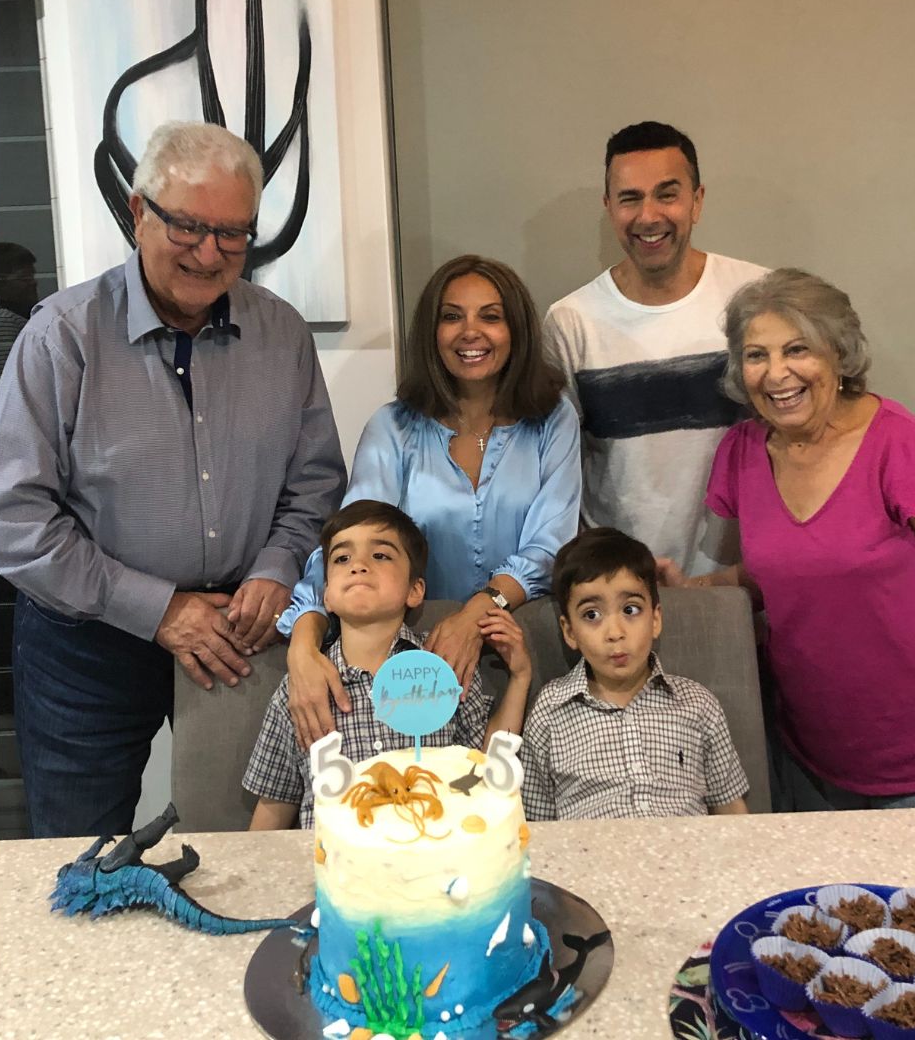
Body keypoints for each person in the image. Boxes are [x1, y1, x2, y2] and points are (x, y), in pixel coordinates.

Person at [0, 120, 346, 838]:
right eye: (186, 226)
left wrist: (279, 567)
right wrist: (157, 609)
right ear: (137, 213)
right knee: (81, 853)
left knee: (245, 847)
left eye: (233, 233)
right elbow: (12, 518)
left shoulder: (281, 333)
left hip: (241, 632)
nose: (210, 252)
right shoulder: (60, 336)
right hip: (84, 643)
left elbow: (315, 481)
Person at [663, 268, 915, 810]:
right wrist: (694, 591)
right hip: (812, 757)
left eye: (797, 349)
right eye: (757, 355)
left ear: (838, 355)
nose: (777, 374)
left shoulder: (901, 445)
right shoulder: (743, 450)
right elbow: (776, 573)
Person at [277, 255, 580, 750]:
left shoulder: (553, 419)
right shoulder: (393, 428)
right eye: (452, 315)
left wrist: (474, 615)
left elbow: (552, 547)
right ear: (431, 331)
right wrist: (303, 644)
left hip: (528, 646)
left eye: (491, 315)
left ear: (517, 329)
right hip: (418, 659)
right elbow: (351, 543)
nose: (470, 332)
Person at [542, 121, 769, 577]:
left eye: (667, 194)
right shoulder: (570, 321)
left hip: (745, 585)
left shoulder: (757, 297)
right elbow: (556, 475)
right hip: (622, 596)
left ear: (697, 201)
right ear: (609, 207)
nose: (648, 216)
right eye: (630, 198)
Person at [243, 501, 531, 830]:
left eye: (380, 555)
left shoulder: (443, 667)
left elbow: (484, 767)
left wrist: (520, 677)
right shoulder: (300, 689)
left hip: (435, 862)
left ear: (415, 590)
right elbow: (275, 805)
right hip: (336, 871)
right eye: (342, 558)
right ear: (326, 596)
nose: (359, 565)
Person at [521, 529, 749, 821]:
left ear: (655, 619)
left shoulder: (697, 704)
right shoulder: (550, 710)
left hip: (689, 858)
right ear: (569, 631)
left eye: (630, 610)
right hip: (592, 860)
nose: (615, 633)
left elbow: (730, 808)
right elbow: (537, 823)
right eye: (592, 615)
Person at [0, 242, 39, 392]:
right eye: (24, 278)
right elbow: (3, 386)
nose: (33, 283)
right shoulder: (6, 321)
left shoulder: (25, 318)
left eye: (32, 276)